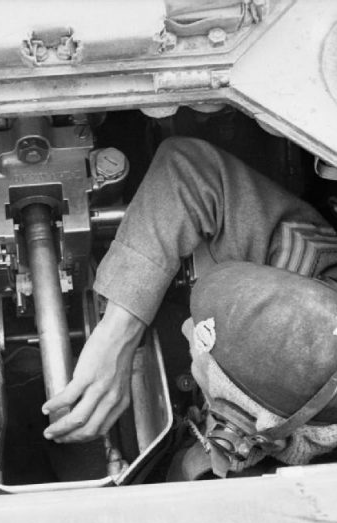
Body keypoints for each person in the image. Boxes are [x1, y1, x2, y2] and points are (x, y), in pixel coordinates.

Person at [42, 136, 337, 474]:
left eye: (203, 341)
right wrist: (117, 335)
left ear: (242, 424)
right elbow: (188, 166)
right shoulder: (303, 264)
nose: (186, 326)